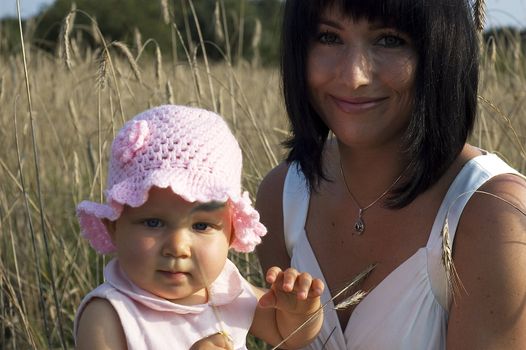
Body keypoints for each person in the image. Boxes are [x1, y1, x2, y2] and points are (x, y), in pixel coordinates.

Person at [256, 1, 526, 349]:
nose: (353, 76)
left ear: (442, 49)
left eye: (389, 40)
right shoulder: (282, 196)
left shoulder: (496, 214)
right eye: (328, 37)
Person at [74, 105, 325, 350]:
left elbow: (286, 335)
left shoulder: (224, 288)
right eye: (153, 223)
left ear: (231, 232)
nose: (177, 247)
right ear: (113, 227)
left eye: (202, 225)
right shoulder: (109, 315)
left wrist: (300, 311)